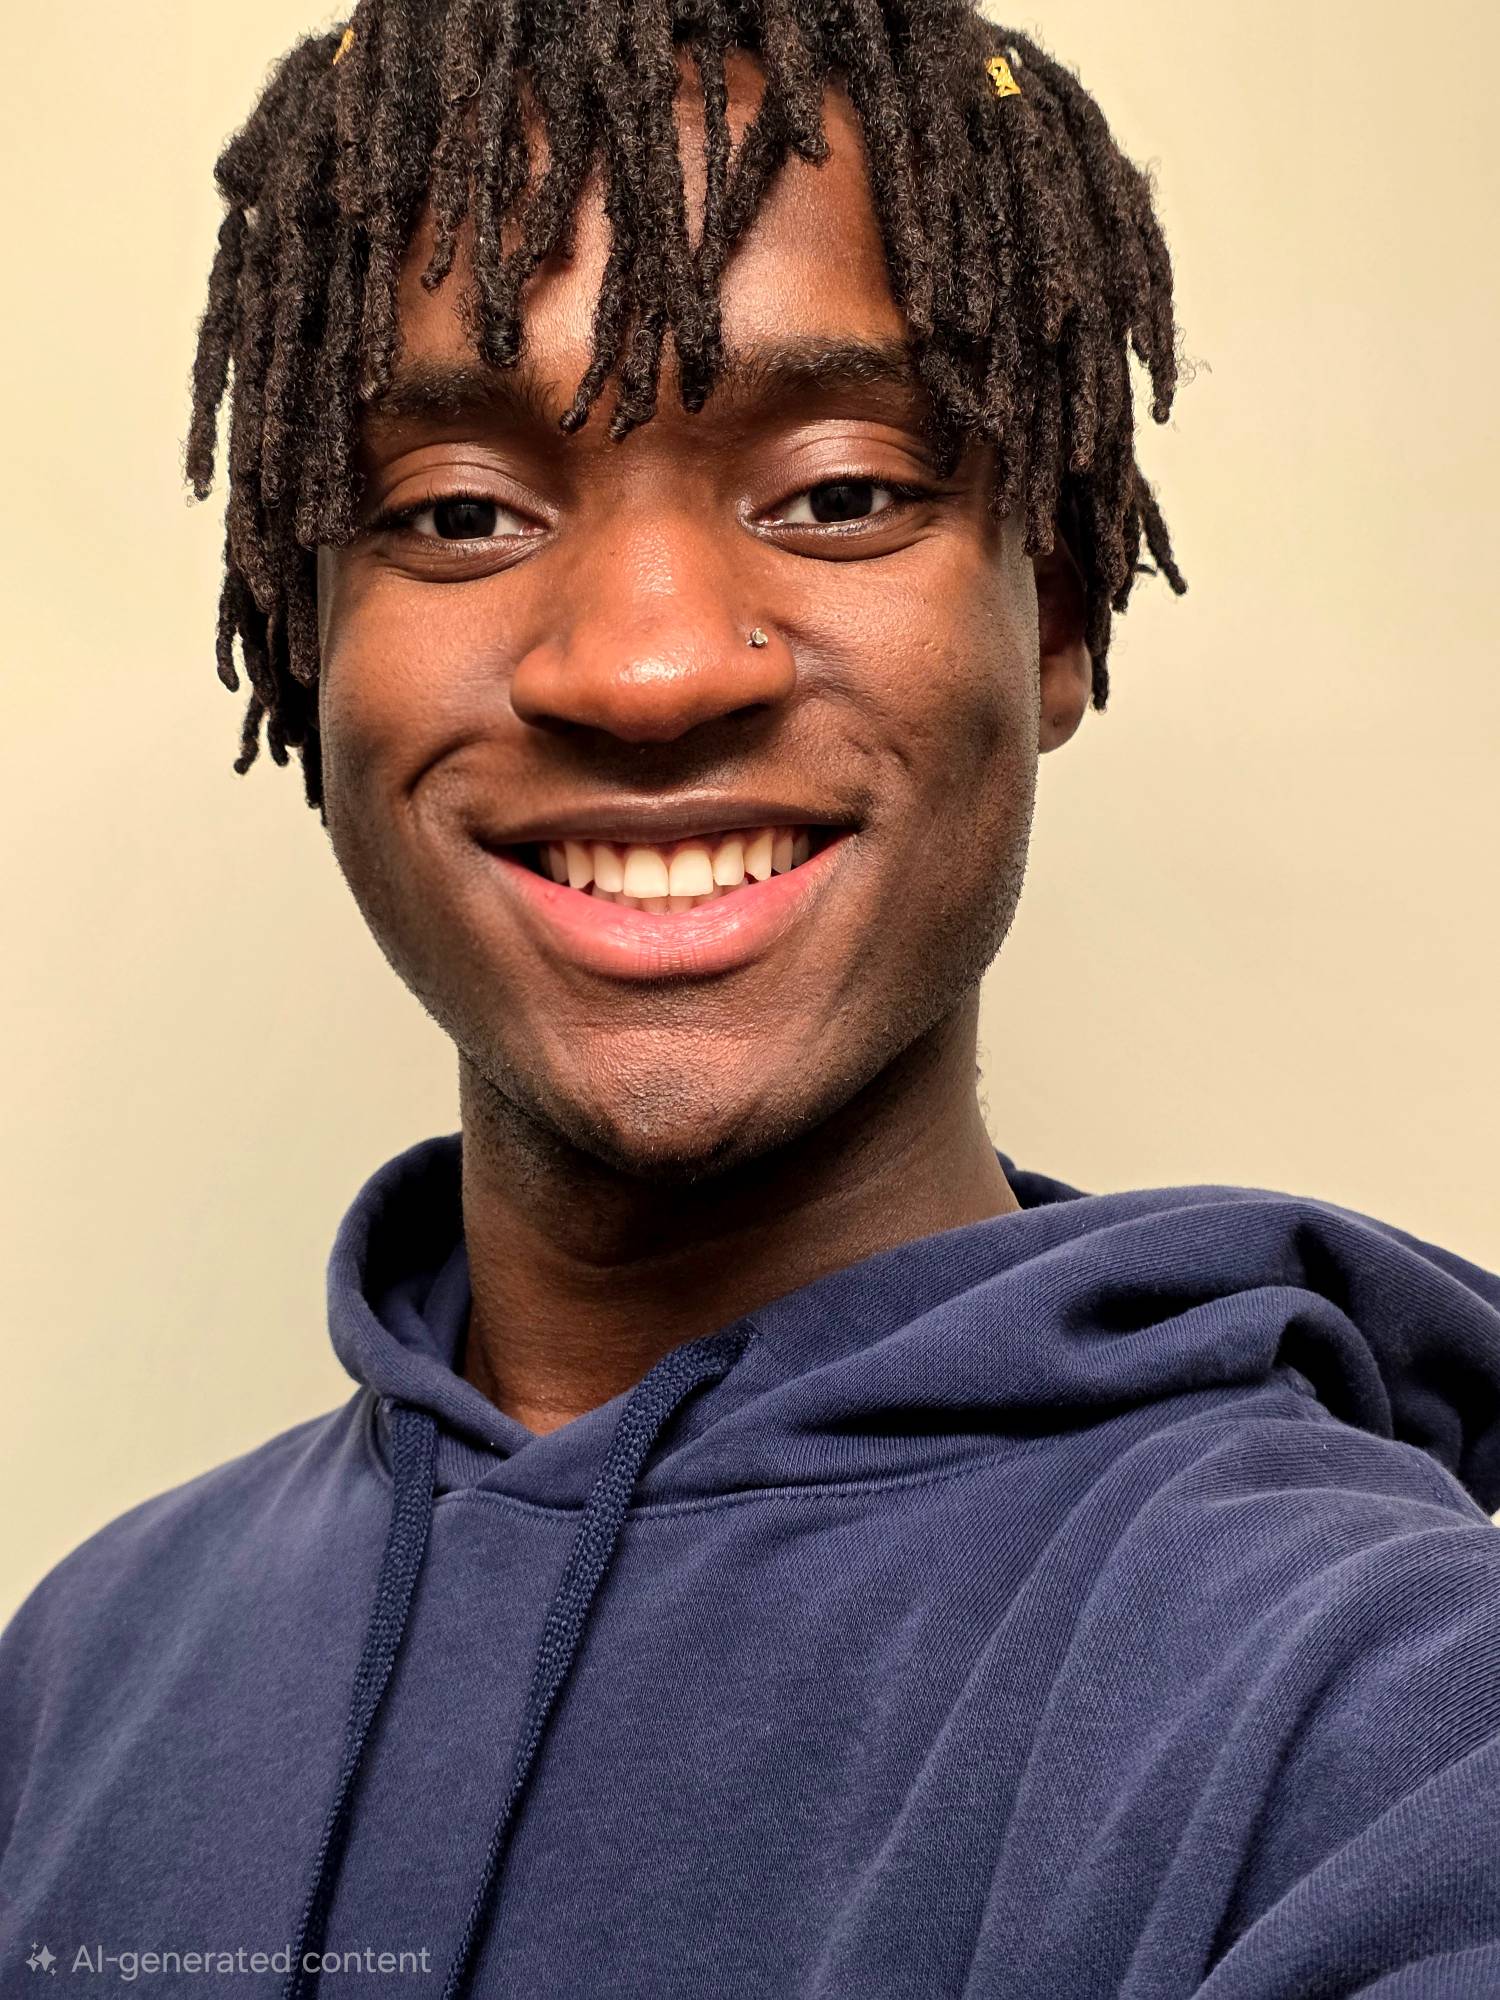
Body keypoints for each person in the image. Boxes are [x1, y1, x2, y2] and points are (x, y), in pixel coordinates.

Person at [3, 2, 1498, 1994]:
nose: (646, 666)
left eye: (837, 490)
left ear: (1052, 606)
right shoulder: (82, 1667)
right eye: (461, 510)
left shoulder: (1382, 1707)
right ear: (308, 636)